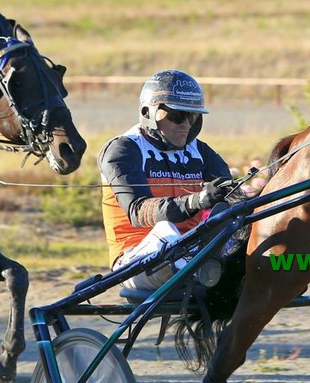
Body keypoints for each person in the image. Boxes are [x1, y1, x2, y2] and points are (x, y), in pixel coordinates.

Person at [99, 70, 233, 290]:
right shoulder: (123, 149)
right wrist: (196, 201)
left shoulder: (202, 152)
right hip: (135, 257)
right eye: (177, 115)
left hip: (192, 249)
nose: (186, 124)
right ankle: (205, 270)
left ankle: (285, 268)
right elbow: (138, 211)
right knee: (166, 232)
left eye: (192, 117)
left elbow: (233, 196)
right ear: (148, 112)